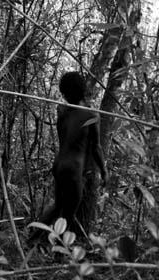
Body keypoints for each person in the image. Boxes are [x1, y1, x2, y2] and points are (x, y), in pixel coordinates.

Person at [30, 71, 108, 240]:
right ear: (82, 89)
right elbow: (96, 147)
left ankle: (33, 238)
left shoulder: (63, 113)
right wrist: (104, 171)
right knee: (68, 215)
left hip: (59, 165)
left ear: (65, 93)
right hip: (73, 169)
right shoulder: (92, 115)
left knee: (59, 207)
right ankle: (59, 254)